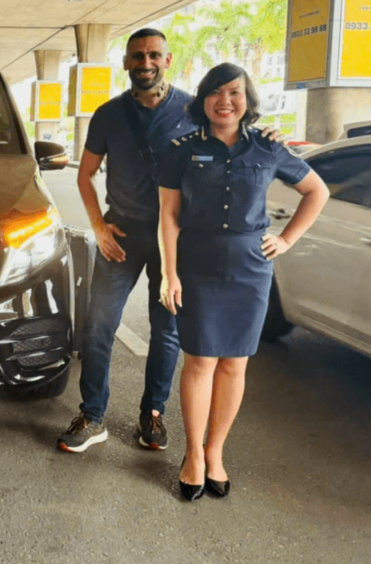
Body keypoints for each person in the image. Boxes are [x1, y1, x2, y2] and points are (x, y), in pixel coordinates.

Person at [158, 63, 327, 500]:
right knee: (200, 362)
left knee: (234, 364)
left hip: (251, 272)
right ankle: (193, 455)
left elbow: (317, 191)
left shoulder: (269, 149)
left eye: (234, 92)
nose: (224, 100)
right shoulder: (179, 149)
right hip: (197, 266)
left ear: (248, 100)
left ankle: (216, 452)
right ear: (202, 100)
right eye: (215, 92)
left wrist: (287, 239)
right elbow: (170, 217)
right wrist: (169, 273)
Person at [58, 28, 197, 453]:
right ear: (125, 63)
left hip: (172, 238)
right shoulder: (108, 115)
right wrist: (98, 227)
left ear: (168, 60)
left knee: (166, 330)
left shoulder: (193, 110)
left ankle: (153, 414)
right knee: (99, 325)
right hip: (121, 233)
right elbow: (84, 176)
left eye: (154, 55)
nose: (146, 63)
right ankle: (93, 415)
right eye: (137, 56)